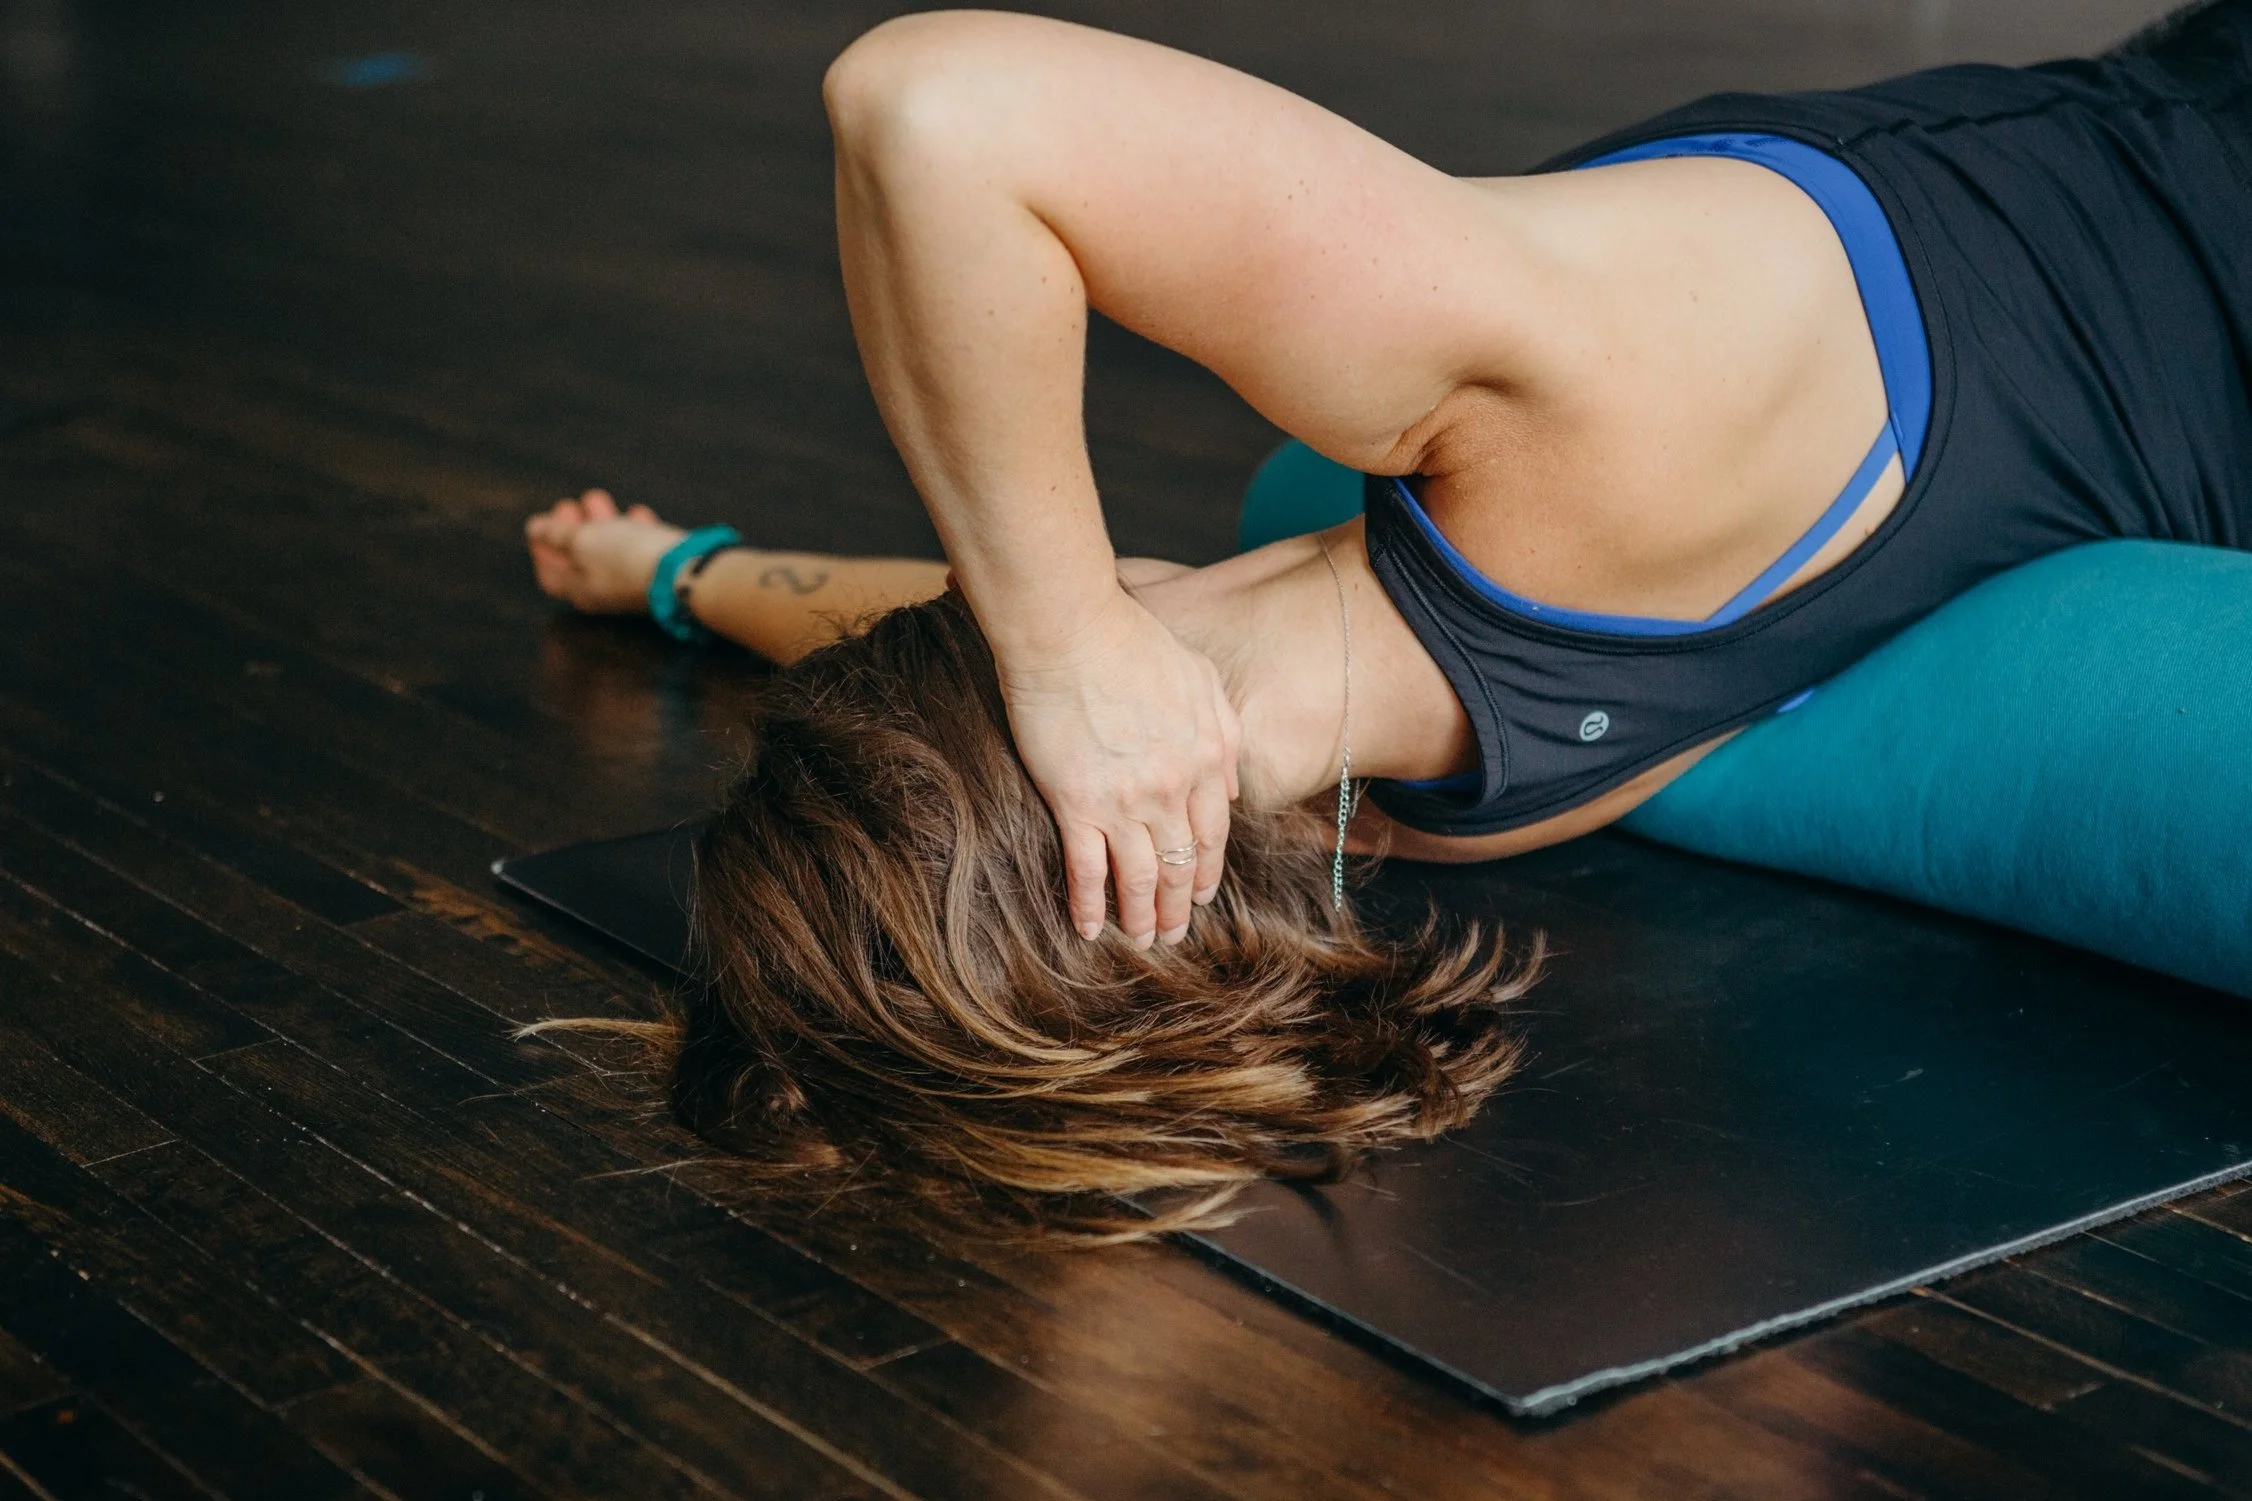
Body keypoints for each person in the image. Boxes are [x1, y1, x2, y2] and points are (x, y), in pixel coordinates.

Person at [527, 4, 2252, 1238]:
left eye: (1054, 638)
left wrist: (1056, 649)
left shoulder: (1555, 442)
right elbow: (960, 648)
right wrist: (684, 575)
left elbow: (929, 96)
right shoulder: (1359, 774)